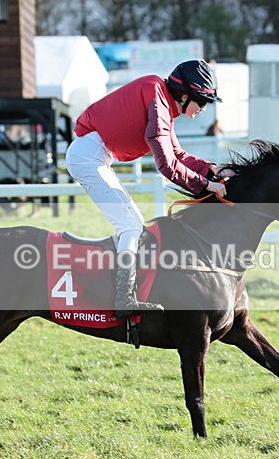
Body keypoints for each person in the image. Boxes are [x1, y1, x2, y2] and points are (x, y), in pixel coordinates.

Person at [67, 59, 235, 318]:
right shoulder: (157, 98)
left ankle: (119, 289)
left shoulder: (162, 101)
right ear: (183, 94)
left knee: (131, 223)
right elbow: (168, 166)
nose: (203, 108)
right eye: (201, 101)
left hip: (93, 155)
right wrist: (207, 185)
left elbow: (178, 153)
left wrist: (214, 170)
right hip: (88, 157)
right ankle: (123, 298)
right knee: (131, 224)